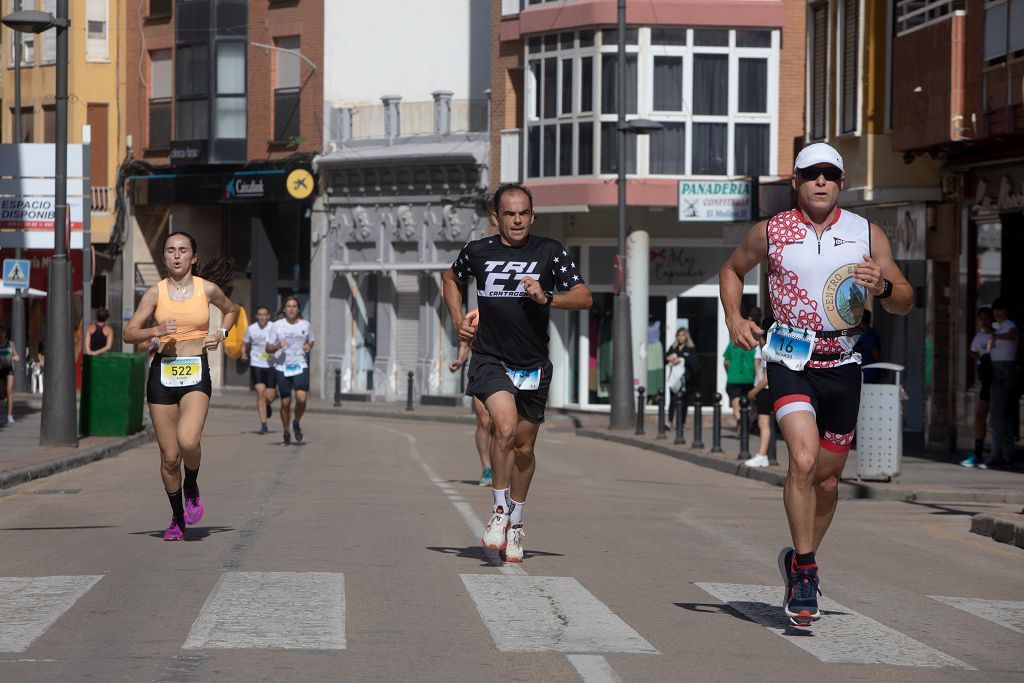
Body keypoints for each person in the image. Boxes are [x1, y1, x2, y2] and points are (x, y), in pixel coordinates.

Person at [719, 142, 912, 626]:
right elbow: (731, 269)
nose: (820, 182)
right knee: (802, 460)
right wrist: (733, 318)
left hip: (845, 362)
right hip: (790, 358)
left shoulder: (867, 234)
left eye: (829, 174)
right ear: (796, 182)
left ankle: (798, 559)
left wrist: (884, 288)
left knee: (827, 480)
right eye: (811, 174)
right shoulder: (772, 232)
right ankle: (806, 571)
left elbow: (906, 299)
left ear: (842, 183)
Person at [442, 182, 592, 563]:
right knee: (504, 429)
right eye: (509, 213)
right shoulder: (477, 251)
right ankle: (498, 513)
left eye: (523, 212)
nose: (517, 220)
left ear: (532, 215)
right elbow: (450, 279)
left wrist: (547, 297)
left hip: (533, 364)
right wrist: (458, 320)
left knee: (524, 448)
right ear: (496, 217)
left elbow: (584, 296)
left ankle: (517, 522)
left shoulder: (549, 251)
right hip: (491, 358)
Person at [122, 231, 238, 541]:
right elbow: (129, 333)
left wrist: (221, 335)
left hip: (195, 371)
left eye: (183, 250)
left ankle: (192, 485)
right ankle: (177, 517)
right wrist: (155, 329)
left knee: (188, 441)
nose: (176, 255)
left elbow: (232, 310)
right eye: (171, 250)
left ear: (193, 257)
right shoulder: (155, 293)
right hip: (163, 374)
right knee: (169, 457)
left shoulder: (207, 289)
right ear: (164, 257)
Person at [449, 313, 494, 487]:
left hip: (507, 369)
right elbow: (464, 343)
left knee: (502, 425)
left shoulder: (507, 307)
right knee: (484, 420)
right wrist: (460, 360)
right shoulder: (472, 316)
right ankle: (487, 468)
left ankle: (500, 464)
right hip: (480, 369)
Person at [266, 296, 314, 446]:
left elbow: (311, 340)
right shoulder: (277, 326)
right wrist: (278, 346)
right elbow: (268, 348)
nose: (291, 309)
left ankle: (296, 422)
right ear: (284, 309)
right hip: (282, 367)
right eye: (288, 306)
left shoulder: (305, 325)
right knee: (285, 403)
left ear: (298, 309)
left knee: (301, 398)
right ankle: (286, 431)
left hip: (300, 365)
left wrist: (309, 346)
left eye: (294, 306)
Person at [981, 298, 1018, 469]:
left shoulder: (1009, 325)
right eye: (995, 309)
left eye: (1000, 309)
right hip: (997, 371)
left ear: (1007, 311)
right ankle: (1006, 453)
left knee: (996, 415)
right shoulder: (998, 328)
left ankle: (995, 455)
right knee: (1002, 416)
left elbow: (1013, 335)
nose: (997, 313)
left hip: (1004, 371)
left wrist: (996, 336)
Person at [962, 307, 994, 467]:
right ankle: (978, 451)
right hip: (985, 378)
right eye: (981, 318)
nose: (984, 321)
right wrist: (980, 357)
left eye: (987, 318)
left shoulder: (996, 335)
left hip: (996, 378)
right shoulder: (980, 336)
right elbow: (971, 351)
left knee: (995, 417)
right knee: (980, 416)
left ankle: (995, 452)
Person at [242, 305, 278, 435]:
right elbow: (245, 343)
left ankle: (268, 404)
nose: (262, 317)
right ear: (257, 316)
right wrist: (243, 353)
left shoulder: (274, 327)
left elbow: (281, 342)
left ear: (268, 316)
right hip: (256, 364)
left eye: (264, 315)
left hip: (271, 365)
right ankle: (263, 424)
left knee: (270, 396)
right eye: (260, 315)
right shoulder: (251, 329)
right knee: (260, 391)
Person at [745, 319, 775, 468]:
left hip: (766, 390)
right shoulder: (767, 348)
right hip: (766, 390)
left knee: (764, 423)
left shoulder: (769, 348)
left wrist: (754, 391)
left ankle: (762, 455)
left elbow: (767, 376)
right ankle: (762, 454)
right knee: (764, 423)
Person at [665, 327, 701, 425]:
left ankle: (682, 423)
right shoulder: (673, 348)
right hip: (674, 380)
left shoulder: (690, 349)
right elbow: (665, 359)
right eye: (679, 335)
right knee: (673, 400)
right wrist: (670, 358)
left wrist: (682, 359)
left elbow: (696, 366)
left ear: (686, 337)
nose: (681, 337)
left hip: (686, 380)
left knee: (684, 402)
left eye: (683, 335)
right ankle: (670, 421)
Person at [723, 335, 756, 435]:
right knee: (748, 401)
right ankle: (746, 421)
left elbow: (726, 362)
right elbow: (756, 362)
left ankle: (739, 421)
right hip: (749, 377)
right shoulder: (753, 345)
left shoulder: (733, 344)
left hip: (734, 377)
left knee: (735, 401)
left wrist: (729, 372)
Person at [0, 324, 21, 424]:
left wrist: (13, 358)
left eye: (2, 332)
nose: (0, 334)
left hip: (9, 369)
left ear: (5, 333)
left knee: (9, 390)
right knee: (2, 394)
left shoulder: (10, 343)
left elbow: (17, 356)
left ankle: (10, 415)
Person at [856, 309, 882, 383]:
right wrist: (882, 370)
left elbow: (875, 354)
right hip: (869, 373)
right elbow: (876, 354)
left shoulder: (855, 335)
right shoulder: (870, 334)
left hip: (862, 373)